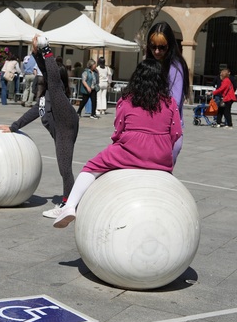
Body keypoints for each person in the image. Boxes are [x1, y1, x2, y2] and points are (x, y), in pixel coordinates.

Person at [51, 59, 183, 228]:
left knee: (91, 167)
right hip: (161, 155)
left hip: (130, 150)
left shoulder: (128, 100)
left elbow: (119, 129)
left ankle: (69, 206)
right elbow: (176, 133)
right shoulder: (169, 102)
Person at [0, 35, 79, 218]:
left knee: (64, 168)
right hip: (60, 129)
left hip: (66, 126)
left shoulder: (56, 94)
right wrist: (14, 126)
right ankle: (70, 200)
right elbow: (35, 111)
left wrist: (45, 49)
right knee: (63, 167)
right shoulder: (46, 97)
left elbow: (53, 78)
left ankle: (68, 205)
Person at [145, 22, 189, 162]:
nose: (157, 51)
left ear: (169, 45)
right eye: (153, 46)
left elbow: (174, 102)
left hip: (167, 130)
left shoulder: (175, 67)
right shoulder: (151, 64)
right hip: (149, 127)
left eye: (161, 47)